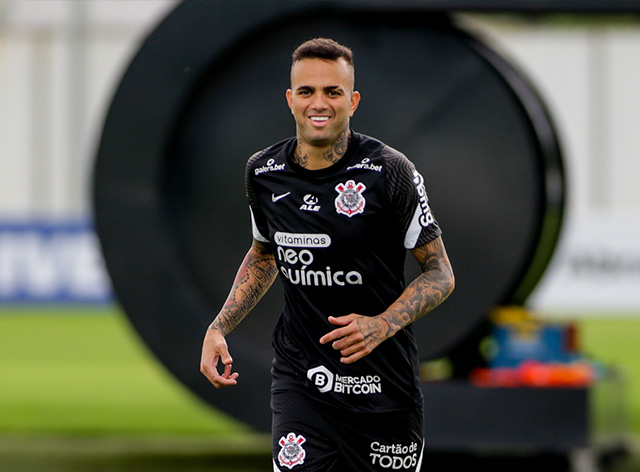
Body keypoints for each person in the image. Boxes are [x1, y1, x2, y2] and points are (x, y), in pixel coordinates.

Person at [200, 37, 454, 471]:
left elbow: (440, 273)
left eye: (333, 92)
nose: (320, 103)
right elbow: (265, 254)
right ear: (290, 99)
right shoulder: (263, 173)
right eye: (307, 91)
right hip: (303, 384)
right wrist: (219, 326)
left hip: (383, 391)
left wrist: (381, 324)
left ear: (352, 101)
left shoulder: (390, 171)